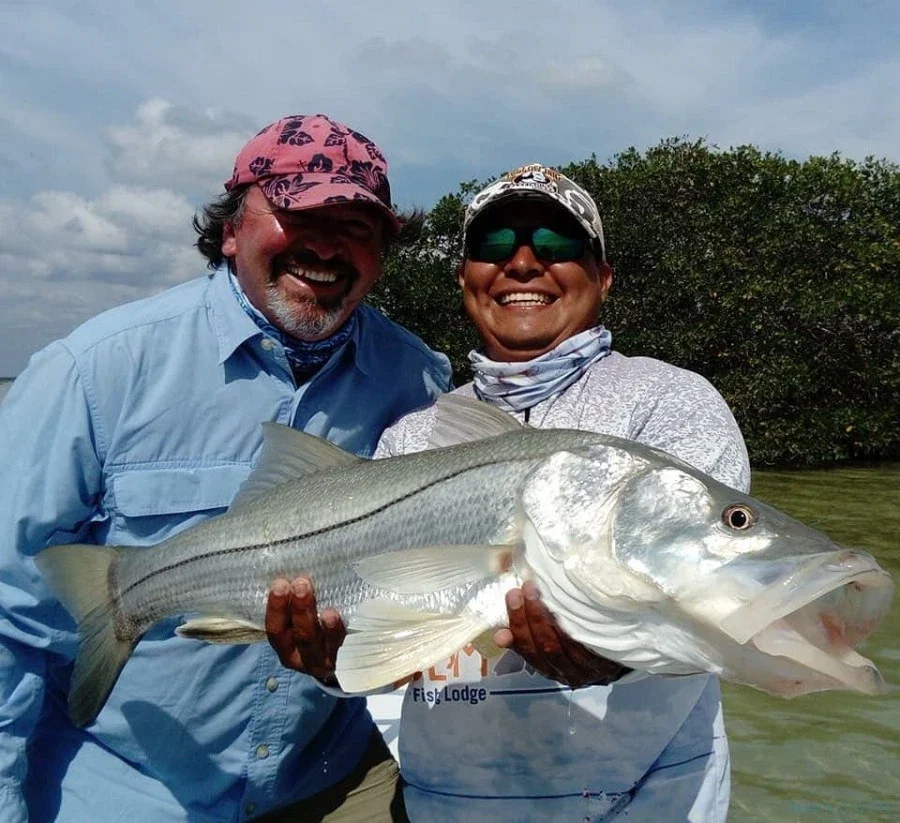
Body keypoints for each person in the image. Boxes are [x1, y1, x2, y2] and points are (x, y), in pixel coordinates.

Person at [0, 113, 451, 822]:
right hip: (126, 789)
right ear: (231, 230)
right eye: (299, 214)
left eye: (356, 226)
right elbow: (10, 613)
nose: (326, 244)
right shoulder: (91, 371)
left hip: (330, 784)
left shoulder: (419, 380)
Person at [271, 163, 750, 820]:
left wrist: (613, 656)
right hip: (440, 806)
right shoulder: (412, 435)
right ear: (465, 277)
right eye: (494, 245)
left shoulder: (671, 403)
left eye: (556, 243)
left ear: (603, 276)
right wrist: (332, 662)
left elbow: (708, 601)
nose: (523, 263)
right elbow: (393, 643)